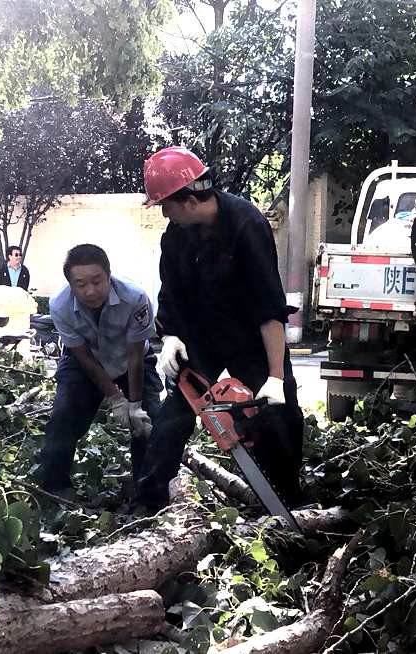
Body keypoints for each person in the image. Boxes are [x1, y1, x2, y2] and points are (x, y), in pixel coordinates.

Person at [136, 146, 304, 511]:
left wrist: (274, 376)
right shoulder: (176, 236)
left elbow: (268, 306)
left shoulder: (247, 225)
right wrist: (170, 336)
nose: (164, 213)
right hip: (201, 337)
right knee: (174, 416)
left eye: (166, 204)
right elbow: (172, 291)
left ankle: (289, 500)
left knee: (281, 411)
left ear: (189, 200)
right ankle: (149, 503)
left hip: (250, 338)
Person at [39, 244, 162, 497]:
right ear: (70, 284)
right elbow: (82, 356)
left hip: (132, 361)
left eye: (97, 281)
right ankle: (55, 489)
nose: (90, 291)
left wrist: (135, 404)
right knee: (64, 416)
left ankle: (148, 493)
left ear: (108, 275)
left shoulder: (135, 298)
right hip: (84, 362)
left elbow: (135, 355)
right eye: (80, 284)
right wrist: (115, 397)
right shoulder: (59, 305)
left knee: (151, 423)